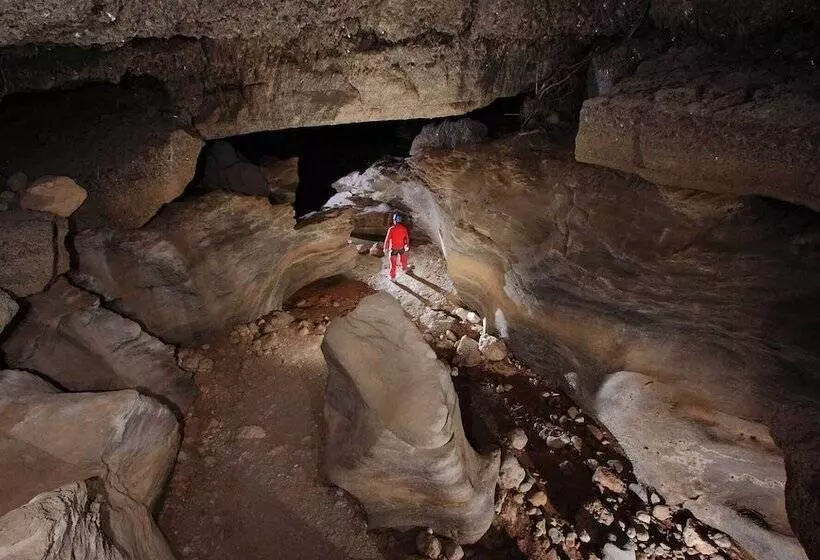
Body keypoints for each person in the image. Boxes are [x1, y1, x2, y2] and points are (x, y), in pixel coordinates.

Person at [383, 213, 410, 280]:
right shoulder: (404, 228)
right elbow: (407, 238)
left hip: (393, 249)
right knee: (403, 260)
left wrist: (385, 248)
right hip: (401, 247)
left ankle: (392, 277)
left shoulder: (391, 229)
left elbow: (387, 239)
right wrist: (407, 245)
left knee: (393, 264)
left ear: (394, 220)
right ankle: (404, 269)